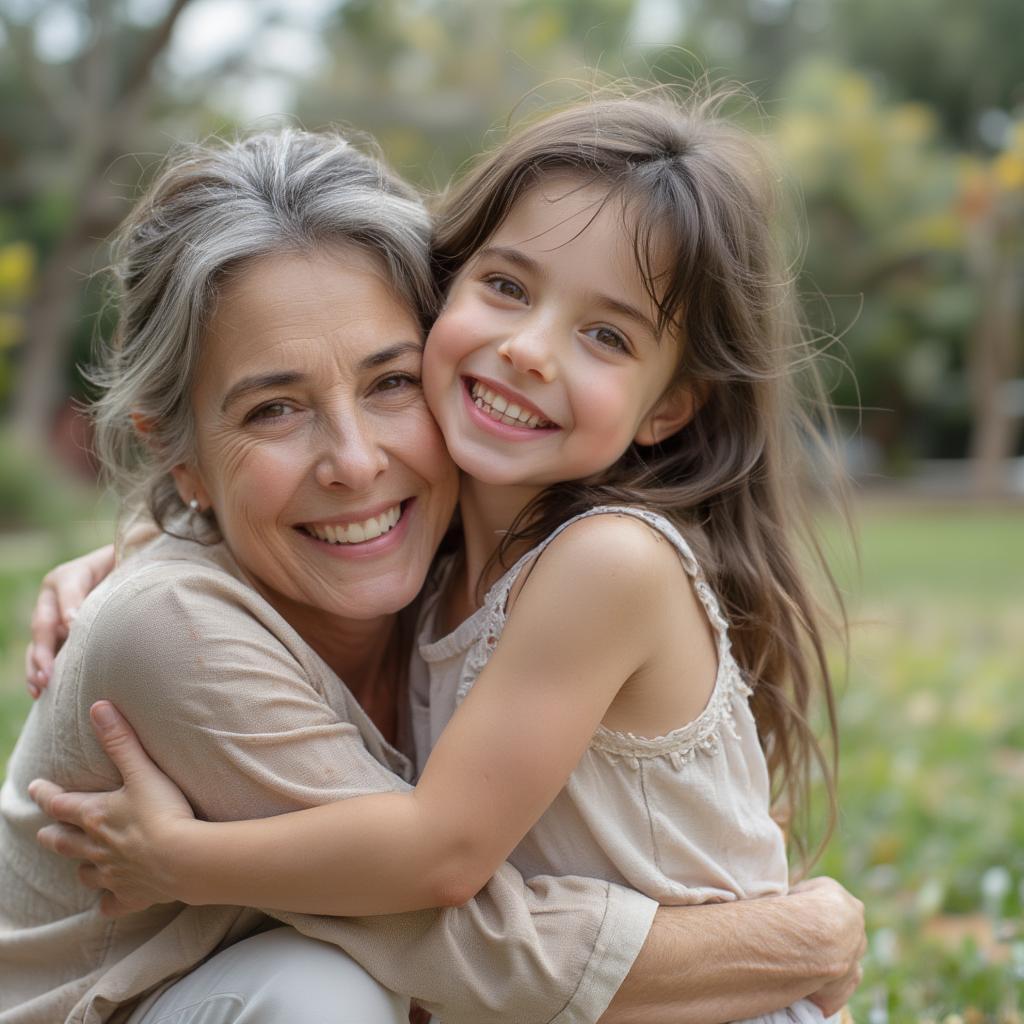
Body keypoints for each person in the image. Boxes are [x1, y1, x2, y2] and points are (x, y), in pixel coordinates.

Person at [20, 102, 863, 1020]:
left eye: (388, 381)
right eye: (273, 409)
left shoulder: (557, 553)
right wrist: (789, 942)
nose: (356, 464)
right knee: (322, 994)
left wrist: (181, 857)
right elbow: (439, 926)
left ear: (668, 406)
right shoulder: (181, 622)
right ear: (180, 458)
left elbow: (438, 863)